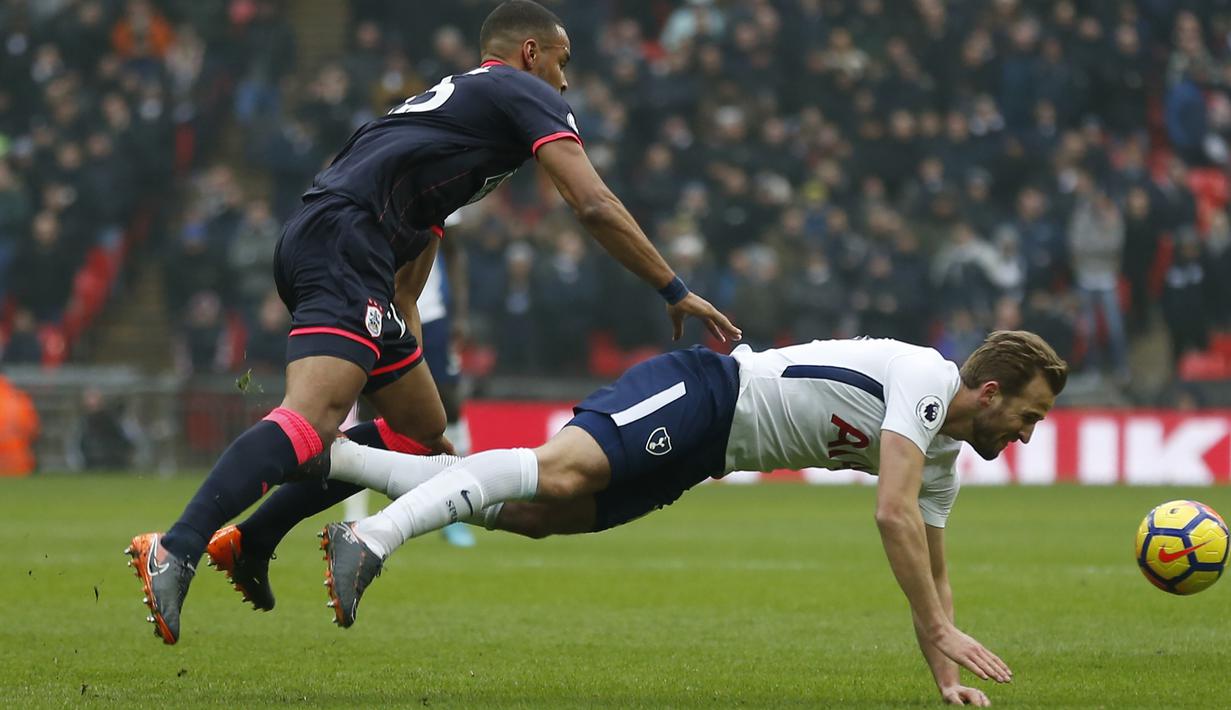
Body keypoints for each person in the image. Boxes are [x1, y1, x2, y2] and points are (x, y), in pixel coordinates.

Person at [125, 0, 739, 645]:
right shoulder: (517, 90)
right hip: (345, 239)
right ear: (530, 52)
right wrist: (672, 288)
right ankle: (179, 546)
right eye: (561, 63)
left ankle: (250, 540)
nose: (565, 82)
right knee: (312, 419)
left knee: (421, 427)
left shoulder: (457, 113)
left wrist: (404, 329)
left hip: (348, 242)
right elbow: (592, 202)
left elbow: (421, 231)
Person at [315, 330, 1064, 707]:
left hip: (706, 453)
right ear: (989, 391)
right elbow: (889, 514)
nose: (1026, 435)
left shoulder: (940, 463)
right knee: (562, 468)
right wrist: (938, 631)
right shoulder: (928, 382)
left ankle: (335, 461)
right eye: (1026, 416)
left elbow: (932, 576)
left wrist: (945, 681)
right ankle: (371, 537)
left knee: (539, 515)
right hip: (706, 389)